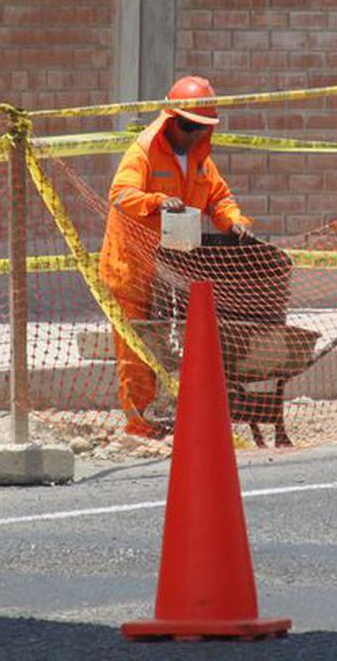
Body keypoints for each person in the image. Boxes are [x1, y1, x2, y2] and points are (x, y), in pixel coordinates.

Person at [99, 75, 254, 438]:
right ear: (171, 120)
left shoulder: (199, 160)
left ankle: (179, 416)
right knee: (136, 352)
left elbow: (219, 198)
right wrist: (155, 201)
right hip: (130, 271)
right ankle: (141, 427)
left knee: (179, 348)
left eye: (201, 128)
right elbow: (120, 194)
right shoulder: (143, 152)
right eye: (188, 126)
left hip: (173, 274)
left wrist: (233, 221)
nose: (193, 135)